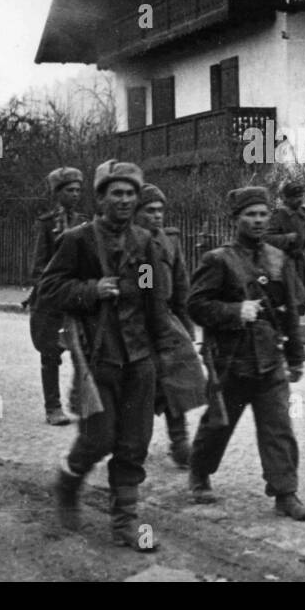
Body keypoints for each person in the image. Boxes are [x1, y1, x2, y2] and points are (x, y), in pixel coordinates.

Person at [40, 160, 172, 552]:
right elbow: (50, 290)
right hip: (98, 356)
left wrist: (162, 352)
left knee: (134, 442)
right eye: (117, 193)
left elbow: (153, 299)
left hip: (139, 357)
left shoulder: (145, 242)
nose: (125, 200)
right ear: (100, 198)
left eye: (131, 193)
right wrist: (90, 289)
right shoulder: (77, 240)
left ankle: (125, 524)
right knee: (98, 439)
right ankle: (67, 482)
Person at [186, 186, 305, 521]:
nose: (258, 221)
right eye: (250, 215)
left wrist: (296, 355)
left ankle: (285, 493)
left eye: (262, 214)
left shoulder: (277, 258)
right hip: (230, 360)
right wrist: (234, 310)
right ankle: (199, 473)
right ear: (236, 219)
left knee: (278, 427)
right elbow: (196, 305)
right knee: (218, 424)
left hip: (270, 359)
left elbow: (289, 313)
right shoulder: (218, 260)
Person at [134, 182, 207, 468]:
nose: (157, 216)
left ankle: (179, 442)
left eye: (160, 210)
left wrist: (187, 328)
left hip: (166, 320)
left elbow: (181, 288)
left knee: (175, 382)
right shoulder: (132, 244)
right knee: (142, 387)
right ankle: (133, 444)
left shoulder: (170, 242)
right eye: (150, 210)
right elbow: (143, 286)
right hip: (138, 323)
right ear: (137, 213)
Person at [28, 167, 87, 426]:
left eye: (77, 190)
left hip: (78, 296)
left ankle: (81, 399)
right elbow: (38, 266)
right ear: (57, 193)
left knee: (84, 350)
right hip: (53, 298)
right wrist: (48, 288)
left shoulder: (86, 222)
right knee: (50, 354)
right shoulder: (46, 223)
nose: (74, 194)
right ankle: (53, 407)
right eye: (69, 190)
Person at [265, 180, 305, 315]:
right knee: (294, 297)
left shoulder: (304, 213)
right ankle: (290, 325)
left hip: (302, 261)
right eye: (295, 197)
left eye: (301, 196)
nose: (299, 200)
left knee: (302, 298)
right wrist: (287, 239)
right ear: (286, 198)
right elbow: (266, 239)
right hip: (284, 261)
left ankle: (293, 325)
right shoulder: (278, 214)